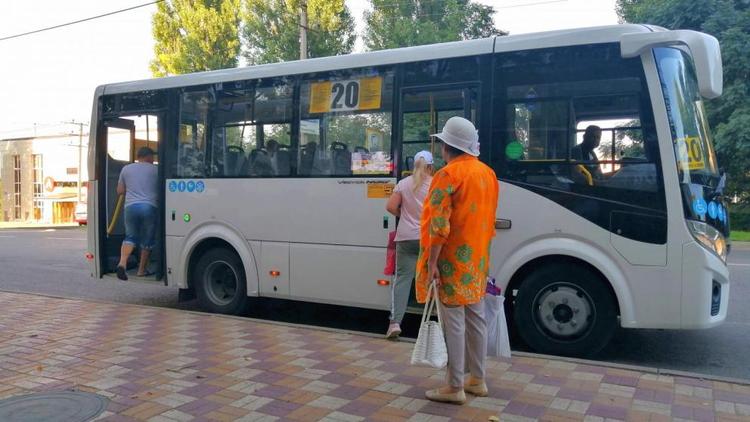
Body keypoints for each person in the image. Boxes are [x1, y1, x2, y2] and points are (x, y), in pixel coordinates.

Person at [416, 116, 499, 405]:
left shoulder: (447, 175)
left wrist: (432, 262)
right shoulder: (488, 173)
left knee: (453, 323)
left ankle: (454, 386)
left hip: (451, 261)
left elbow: (438, 226)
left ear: (446, 145)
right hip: (477, 260)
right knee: (476, 319)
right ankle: (478, 379)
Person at [384, 150, 434, 339]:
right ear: (431, 166)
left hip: (405, 238)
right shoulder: (436, 184)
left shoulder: (403, 183)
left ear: (414, 165)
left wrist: (403, 216)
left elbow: (390, 206)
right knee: (433, 278)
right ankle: (435, 324)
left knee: (402, 279)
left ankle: (395, 323)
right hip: (429, 238)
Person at [116, 147, 158, 280]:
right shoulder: (156, 170)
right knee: (147, 240)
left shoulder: (126, 169)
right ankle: (141, 270)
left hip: (130, 207)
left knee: (130, 237)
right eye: (153, 157)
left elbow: (120, 191)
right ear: (149, 156)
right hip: (149, 206)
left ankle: (122, 264)